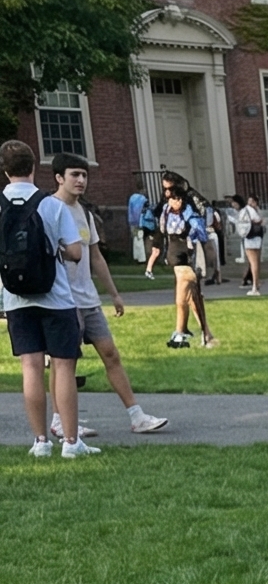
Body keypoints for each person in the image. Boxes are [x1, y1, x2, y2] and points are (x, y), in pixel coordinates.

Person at [47, 155, 167, 437]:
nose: (81, 180)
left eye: (84, 175)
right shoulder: (48, 209)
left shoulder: (84, 213)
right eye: (75, 174)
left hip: (88, 299)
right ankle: (58, 421)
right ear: (59, 178)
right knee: (65, 363)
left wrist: (114, 294)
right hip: (63, 301)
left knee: (111, 354)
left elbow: (96, 257)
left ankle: (137, 417)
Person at [2, 138, 97, 458]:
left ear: (4, 170)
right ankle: (71, 442)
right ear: (33, 167)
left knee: (30, 367)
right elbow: (73, 251)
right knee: (63, 366)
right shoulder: (51, 204)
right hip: (55, 296)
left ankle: (40, 441)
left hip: (15, 298)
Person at [160, 178, 214, 348]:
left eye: (169, 189)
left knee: (188, 296)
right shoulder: (165, 210)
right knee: (186, 296)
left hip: (189, 253)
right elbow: (161, 231)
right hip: (175, 254)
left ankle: (187, 332)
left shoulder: (190, 209)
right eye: (166, 192)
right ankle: (191, 332)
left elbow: (201, 233)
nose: (168, 193)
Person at [236, 195, 266, 295]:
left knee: (253, 262)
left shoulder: (248, 210)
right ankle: (256, 284)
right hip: (258, 237)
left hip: (250, 237)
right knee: (256, 262)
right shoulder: (257, 210)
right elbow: (261, 221)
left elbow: (253, 221)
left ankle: (254, 287)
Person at [127, 183, 149, 266]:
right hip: (140, 222)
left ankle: (136, 256)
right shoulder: (143, 199)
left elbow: (130, 210)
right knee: (140, 239)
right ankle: (141, 259)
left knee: (135, 239)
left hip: (132, 221)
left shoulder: (132, 198)